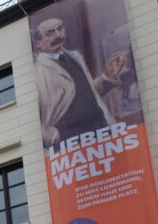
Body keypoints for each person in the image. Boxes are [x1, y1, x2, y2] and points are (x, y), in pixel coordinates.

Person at [32, 17, 127, 148]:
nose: (57, 35)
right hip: (72, 143)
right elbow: (32, 121)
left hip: (102, 130)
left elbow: (87, 93)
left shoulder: (75, 57)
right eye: (50, 33)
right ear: (38, 43)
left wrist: (107, 77)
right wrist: (54, 136)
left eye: (60, 29)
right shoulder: (37, 73)